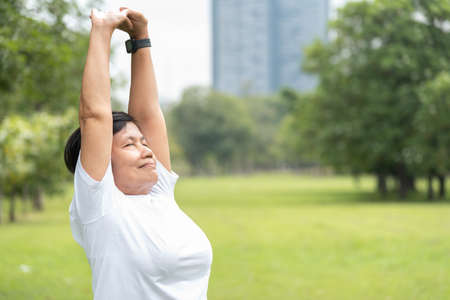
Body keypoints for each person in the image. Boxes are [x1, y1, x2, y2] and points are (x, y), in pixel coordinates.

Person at [63, 8, 213, 300]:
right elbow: (95, 115)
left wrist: (140, 39)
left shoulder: (159, 192)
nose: (146, 150)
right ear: (103, 164)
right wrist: (102, 31)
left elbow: (147, 113)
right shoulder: (100, 206)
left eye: (143, 142)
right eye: (129, 145)